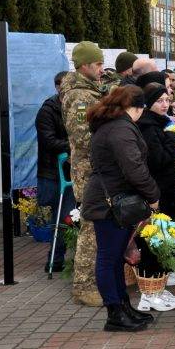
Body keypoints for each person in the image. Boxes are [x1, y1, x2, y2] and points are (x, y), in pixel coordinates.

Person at [81, 85, 160, 331]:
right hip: (110, 203)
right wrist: (153, 195)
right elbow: (133, 167)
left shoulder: (113, 124)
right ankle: (115, 313)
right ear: (136, 108)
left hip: (113, 200)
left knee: (115, 258)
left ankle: (123, 307)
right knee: (108, 258)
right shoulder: (120, 129)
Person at [60, 42, 108, 307]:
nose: (101, 69)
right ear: (83, 65)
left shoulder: (91, 90)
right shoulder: (80, 96)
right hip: (88, 170)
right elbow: (82, 138)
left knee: (98, 225)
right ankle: (84, 285)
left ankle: (96, 280)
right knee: (90, 227)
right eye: (98, 64)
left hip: (97, 168)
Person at [36, 71, 75, 271]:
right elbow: (49, 141)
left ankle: (64, 256)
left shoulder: (75, 107)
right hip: (54, 171)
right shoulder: (48, 110)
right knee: (61, 216)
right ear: (58, 87)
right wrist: (73, 145)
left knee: (70, 216)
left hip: (71, 169)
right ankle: (55, 259)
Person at [137, 83, 175, 223]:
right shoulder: (148, 126)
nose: (165, 105)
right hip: (158, 189)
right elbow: (158, 160)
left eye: (167, 100)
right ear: (149, 102)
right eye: (159, 101)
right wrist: (172, 136)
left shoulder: (161, 121)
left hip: (165, 186)